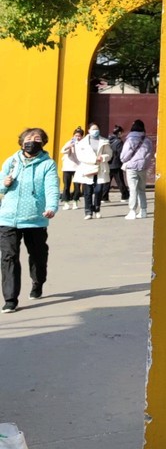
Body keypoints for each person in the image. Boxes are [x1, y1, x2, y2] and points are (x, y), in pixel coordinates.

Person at [1, 127, 60, 312]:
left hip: (35, 218)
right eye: (28, 138)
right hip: (8, 217)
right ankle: (10, 299)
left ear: (42, 143)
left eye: (37, 138)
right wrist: (4, 183)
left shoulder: (47, 164)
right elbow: (1, 182)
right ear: (21, 142)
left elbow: (52, 186)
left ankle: (38, 281)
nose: (32, 141)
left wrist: (51, 207)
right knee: (9, 257)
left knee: (38, 256)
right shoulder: (11, 161)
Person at [74, 125, 111, 220]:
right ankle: (88, 211)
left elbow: (109, 154)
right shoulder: (82, 143)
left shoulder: (104, 141)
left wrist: (103, 158)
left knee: (98, 190)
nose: (96, 131)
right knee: (87, 192)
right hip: (88, 169)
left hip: (100, 168)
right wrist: (94, 159)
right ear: (89, 130)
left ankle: (97, 209)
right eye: (93, 129)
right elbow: (80, 156)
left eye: (97, 129)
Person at [120, 120, 154, 220]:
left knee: (133, 189)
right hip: (143, 168)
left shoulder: (130, 140)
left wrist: (126, 160)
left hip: (132, 167)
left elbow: (124, 156)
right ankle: (143, 210)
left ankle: (132, 211)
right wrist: (144, 164)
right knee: (141, 189)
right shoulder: (147, 140)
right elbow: (149, 155)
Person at [59, 126, 85, 210]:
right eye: (76, 135)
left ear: (82, 136)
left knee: (77, 186)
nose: (77, 137)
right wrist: (69, 146)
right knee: (66, 185)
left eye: (79, 136)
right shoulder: (69, 142)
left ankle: (75, 201)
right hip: (67, 167)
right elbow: (62, 151)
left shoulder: (83, 144)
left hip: (78, 167)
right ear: (73, 135)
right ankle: (66, 202)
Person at [107, 125, 129, 203]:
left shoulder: (108, 140)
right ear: (119, 133)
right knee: (120, 181)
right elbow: (120, 153)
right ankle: (125, 196)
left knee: (107, 181)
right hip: (116, 164)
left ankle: (104, 197)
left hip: (108, 164)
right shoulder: (119, 141)